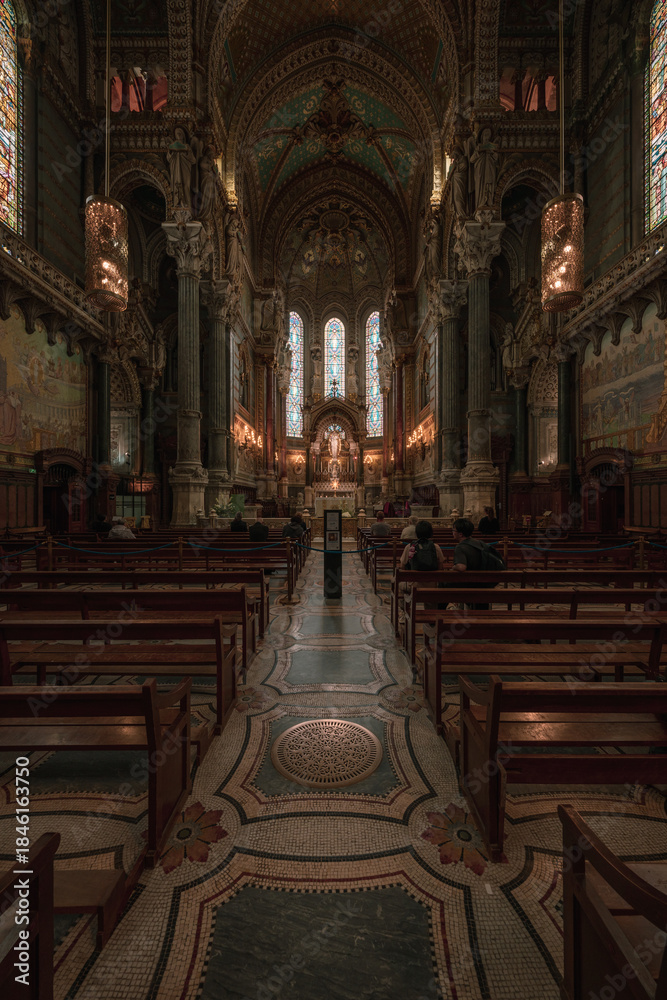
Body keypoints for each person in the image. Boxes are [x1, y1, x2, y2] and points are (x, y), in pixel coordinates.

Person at [452, 517, 503, 608]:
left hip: (471, 584)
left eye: (454, 530)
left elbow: (461, 567)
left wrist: (454, 567)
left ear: (460, 534)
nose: (452, 532)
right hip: (485, 582)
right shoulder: (479, 542)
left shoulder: (460, 547)